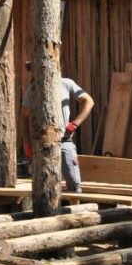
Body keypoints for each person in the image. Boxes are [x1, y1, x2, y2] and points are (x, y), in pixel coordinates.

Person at [20, 61, 94, 193]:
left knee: (74, 185)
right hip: (42, 144)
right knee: (44, 188)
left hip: (64, 140)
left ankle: (75, 209)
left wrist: (76, 123)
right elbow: (24, 116)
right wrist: (26, 142)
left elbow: (88, 101)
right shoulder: (33, 89)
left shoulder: (66, 83)